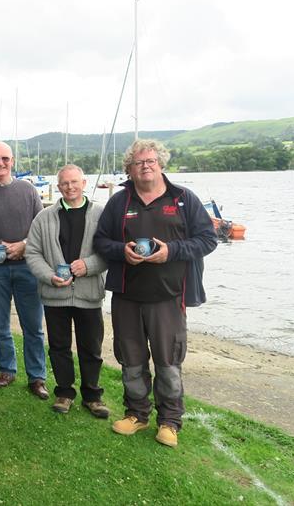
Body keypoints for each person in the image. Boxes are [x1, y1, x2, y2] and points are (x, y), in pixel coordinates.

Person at [93, 139, 217, 448]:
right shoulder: (119, 202)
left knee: (168, 361)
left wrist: (171, 252)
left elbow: (207, 239)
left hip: (168, 297)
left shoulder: (184, 199)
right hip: (127, 297)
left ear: (161, 164)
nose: (145, 166)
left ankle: (170, 421)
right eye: (138, 162)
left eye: (150, 161)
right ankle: (137, 414)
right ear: (130, 169)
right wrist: (122, 251)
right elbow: (100, 242)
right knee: (131, 360)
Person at [26, 164, 110, 417]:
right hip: (55, 295)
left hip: (89, 294)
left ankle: (93, 396)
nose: (70, 187)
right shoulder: (44, 217)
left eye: (74, 182)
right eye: (64, 183)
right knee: (59, 346)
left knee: (91, 348)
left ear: (83, 183)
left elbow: (109, 251)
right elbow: (32, 252)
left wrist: (89, 265)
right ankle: (64, 393)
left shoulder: (101, 214)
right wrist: (49, 276)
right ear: (58, 186)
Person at [0, 142, 48, 399]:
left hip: (28, 267)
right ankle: (6, 369)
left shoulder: (28, 190)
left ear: (12, 161)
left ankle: (37, 376)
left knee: (33, 326)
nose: (0, 163)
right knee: (0, 324)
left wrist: (25, 245)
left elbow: (42, 227)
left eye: (5, 158)